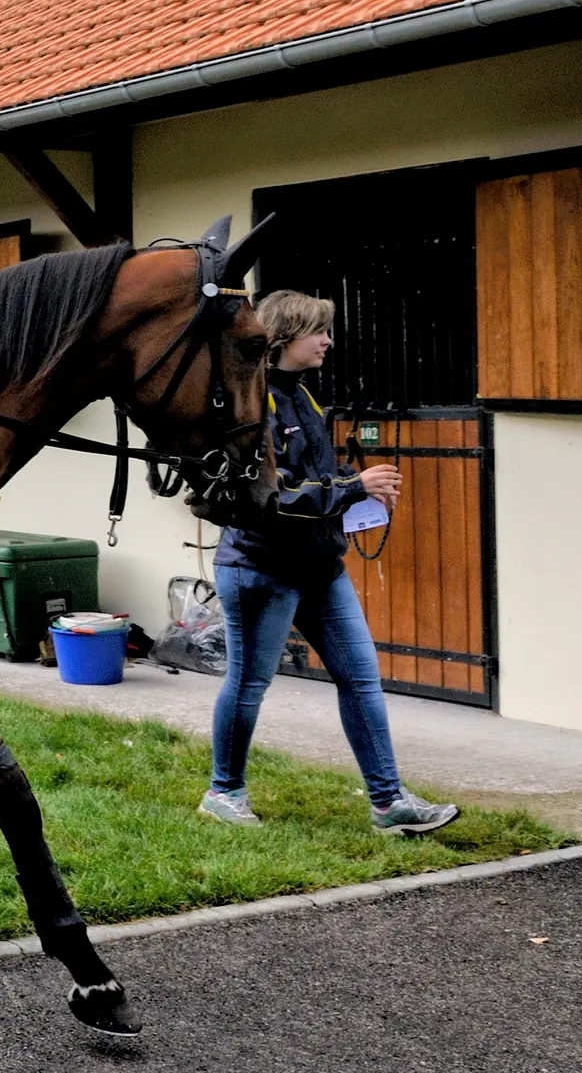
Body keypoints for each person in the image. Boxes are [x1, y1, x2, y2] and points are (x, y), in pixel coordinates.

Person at [199, 290, 459, 836]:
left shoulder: (306, 400)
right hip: (259, 567)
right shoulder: (255, 401)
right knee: (249, 685)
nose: (328, 342)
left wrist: (360, 494)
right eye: (319, 331)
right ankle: (224, 792)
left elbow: (319, 478)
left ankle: (388, 803)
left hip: (320, 566)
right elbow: (271, 494)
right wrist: (351, 486)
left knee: (361, 680)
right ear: (287, 336)